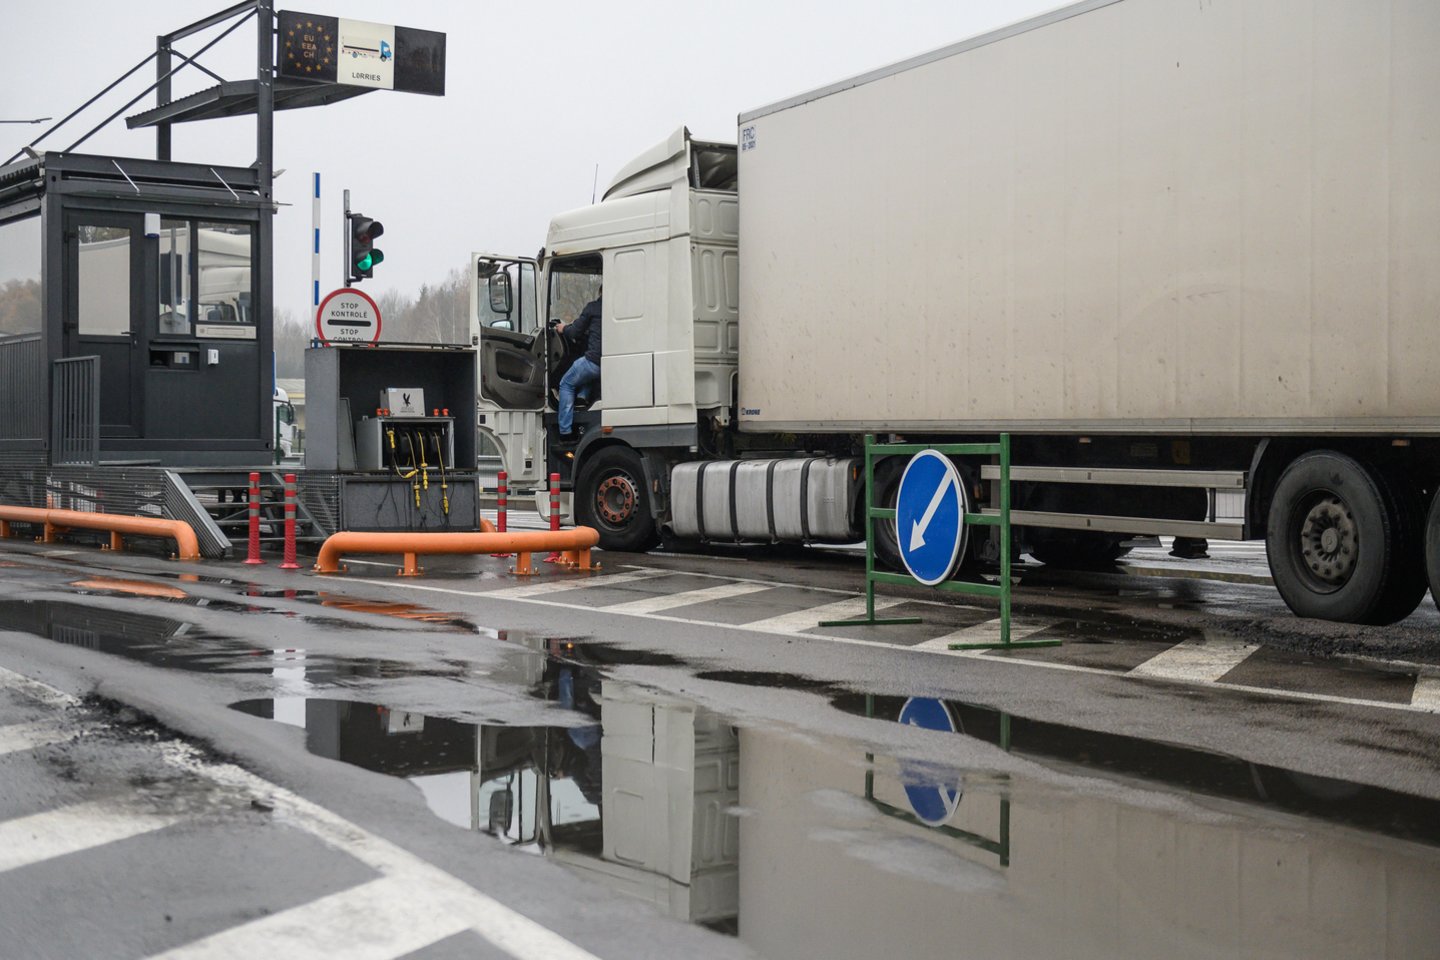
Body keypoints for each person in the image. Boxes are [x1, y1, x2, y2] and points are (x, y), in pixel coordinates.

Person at [556, 293, 601, 442]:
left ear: (600, 293)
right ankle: (582, 397)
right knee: (584, 373)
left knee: (566, 384)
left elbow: (575, 331)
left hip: (593, 361)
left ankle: (565, 431)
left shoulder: (593, 308)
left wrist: (563, 328)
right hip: (607, 365)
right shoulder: (617, 310)